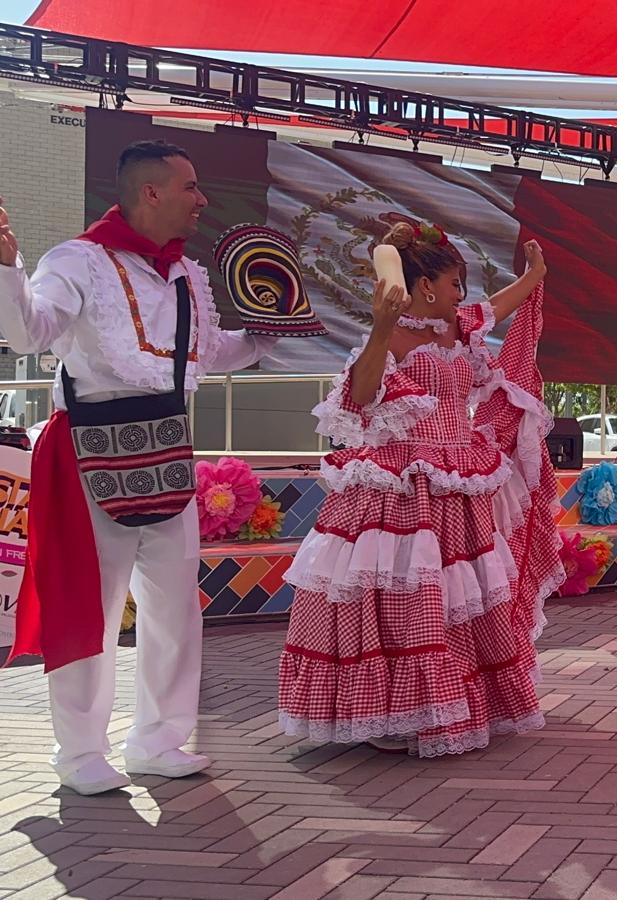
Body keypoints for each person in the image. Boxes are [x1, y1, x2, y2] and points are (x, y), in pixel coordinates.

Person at [0, 142, 278, 794]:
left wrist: (269, 330)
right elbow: (29, 334)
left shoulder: (184, 275)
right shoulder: (77, 260)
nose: (202, 199)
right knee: (91, 605)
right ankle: (79, 754)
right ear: (151, 192)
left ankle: (159, 740)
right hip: (91, 449)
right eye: (191, 186)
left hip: (166, 447)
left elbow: (205, 353)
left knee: (175, 606)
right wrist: (7, 268)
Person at [278, 222, 553, 756]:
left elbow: (497, 306)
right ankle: (396, 712)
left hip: (457, 483)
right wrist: (381, 328)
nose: (461, 295)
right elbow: (360, 398)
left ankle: (446, 704)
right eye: (454, 284)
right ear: (425, 286)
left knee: (457, 599)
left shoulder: (460, 328)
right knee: (408, 596)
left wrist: (534, 275)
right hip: (404, 487)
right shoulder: (395, 336)